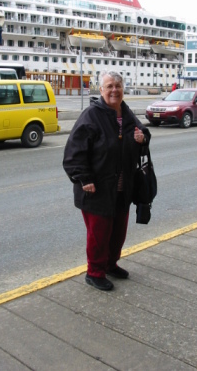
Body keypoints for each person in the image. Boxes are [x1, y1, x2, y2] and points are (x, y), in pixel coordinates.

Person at [63, 70, 151, 291]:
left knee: (118, 232)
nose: (114, 90)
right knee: (99, 235)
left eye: (118, 86)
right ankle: (94, 272)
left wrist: (143, 138)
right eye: (109, 86)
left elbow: (142, 132)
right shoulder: (91, 116)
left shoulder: (126, 113)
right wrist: (84, 179)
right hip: (97, 189)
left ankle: (111, 264)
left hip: (122, 188)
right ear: (101, 90)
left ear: (123, 89)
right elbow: (74, 153)